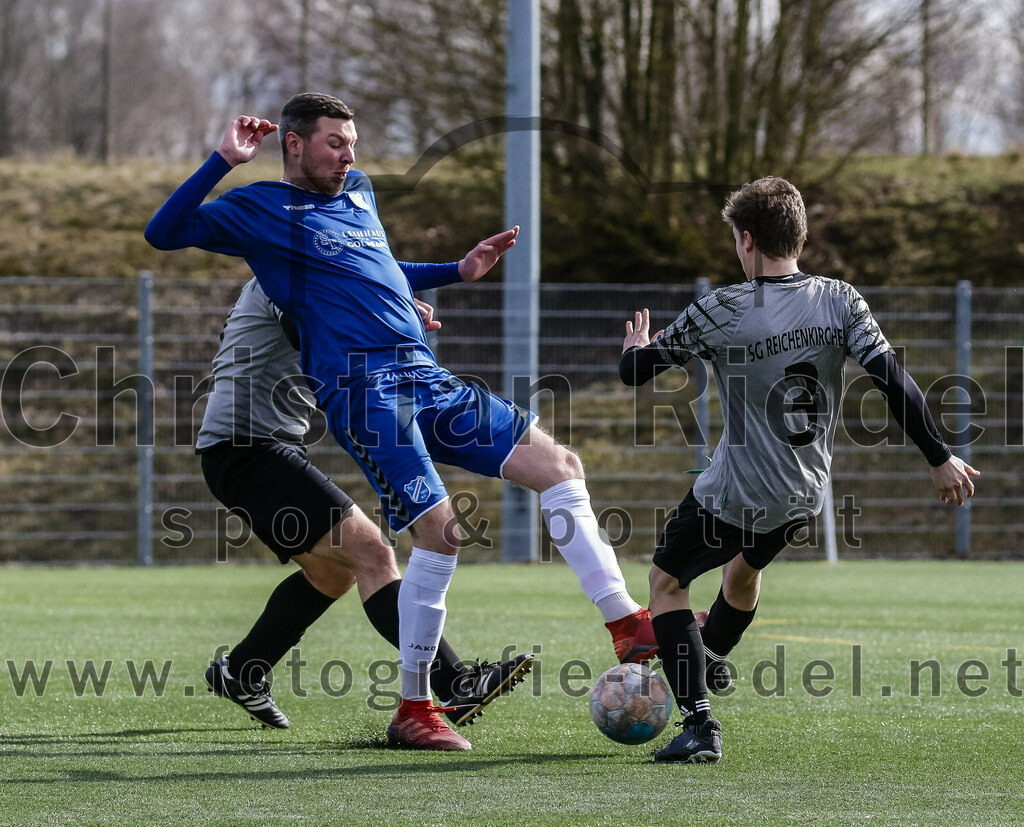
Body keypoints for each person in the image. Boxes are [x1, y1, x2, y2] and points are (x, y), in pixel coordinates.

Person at [146, 92, 656, 751]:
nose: (349, 155)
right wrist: (223, 160)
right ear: (293, 144)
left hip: (423, 377)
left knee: (559, 465)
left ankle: (627, 624)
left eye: (353, 142)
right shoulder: (263, 221)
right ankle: (422, 703)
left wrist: (456, 271)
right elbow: (165, 232)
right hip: (337, 403)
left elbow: (376, 268)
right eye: (335, 142)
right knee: (421, 540)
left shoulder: (359, 192)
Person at [618, 175, 979, 763]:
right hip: (804, 493)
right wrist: (939, 458)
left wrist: (633, 350)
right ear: (801, 237)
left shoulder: (724, 308)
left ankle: (699, 724)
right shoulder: (841, 299)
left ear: (747, 239)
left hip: (738, 490)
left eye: (736, 240)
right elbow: (894, 380)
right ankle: (710, 658)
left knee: (667, 583)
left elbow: (636, 374)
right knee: (741, 573)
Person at [197, 278, 532, 733]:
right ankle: (456, 682)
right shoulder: (281, 278)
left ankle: (242, 670)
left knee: (331, 574)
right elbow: (316, 335)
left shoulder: (296, 274)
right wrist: (390, 318)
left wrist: (393, 311)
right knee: (372, 554)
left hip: (258, 449)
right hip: (245, 450)